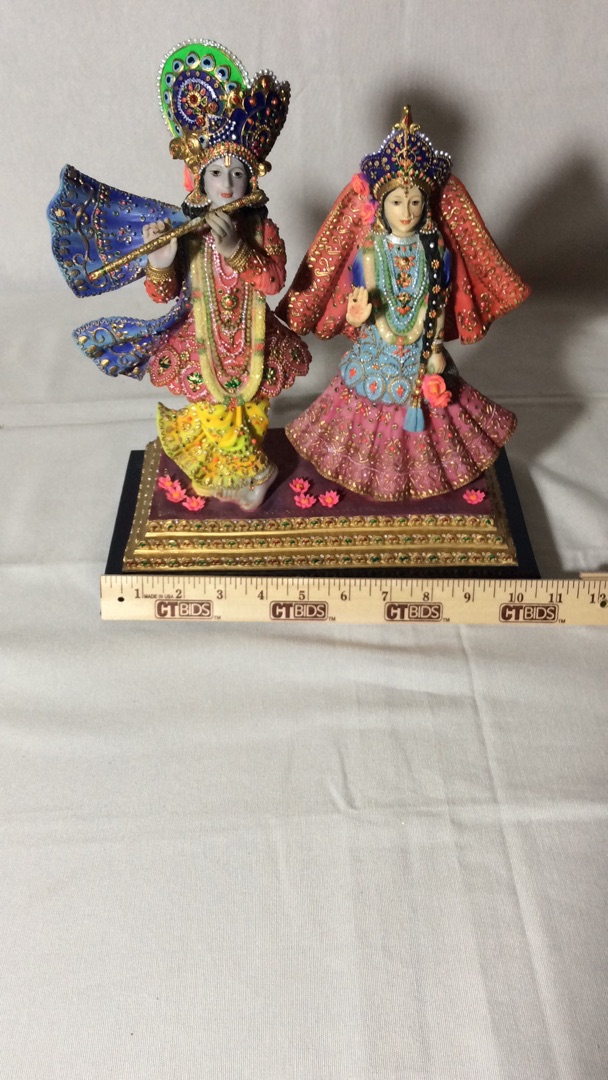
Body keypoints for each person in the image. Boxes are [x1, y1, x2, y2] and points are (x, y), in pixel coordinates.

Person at [47, 41, 310, 509]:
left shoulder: (261, 229)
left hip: (254, 340)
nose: (227, 184)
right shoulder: (187, 231)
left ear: (253, 179)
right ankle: (241, 476)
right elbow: (162, 293)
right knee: (210, 414)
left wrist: (236, 250)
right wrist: (162, 261)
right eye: (216, 173)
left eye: (237, 173)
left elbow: (273, 282)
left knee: (251, 413)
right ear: (199, 180)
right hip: (202, 339)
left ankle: (253, 472)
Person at [279, 107, 529, 501]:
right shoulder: (369, 251)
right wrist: (357, 315)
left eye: (415, 202)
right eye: (397, 202)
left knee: (432, 412)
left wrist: (434, 349)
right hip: (376, 349)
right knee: (368, 409)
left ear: (426, 205)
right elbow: (360, 299)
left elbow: (438, 301)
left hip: (421, 346)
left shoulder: (436, 250)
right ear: (381, 205)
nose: (407, 212)